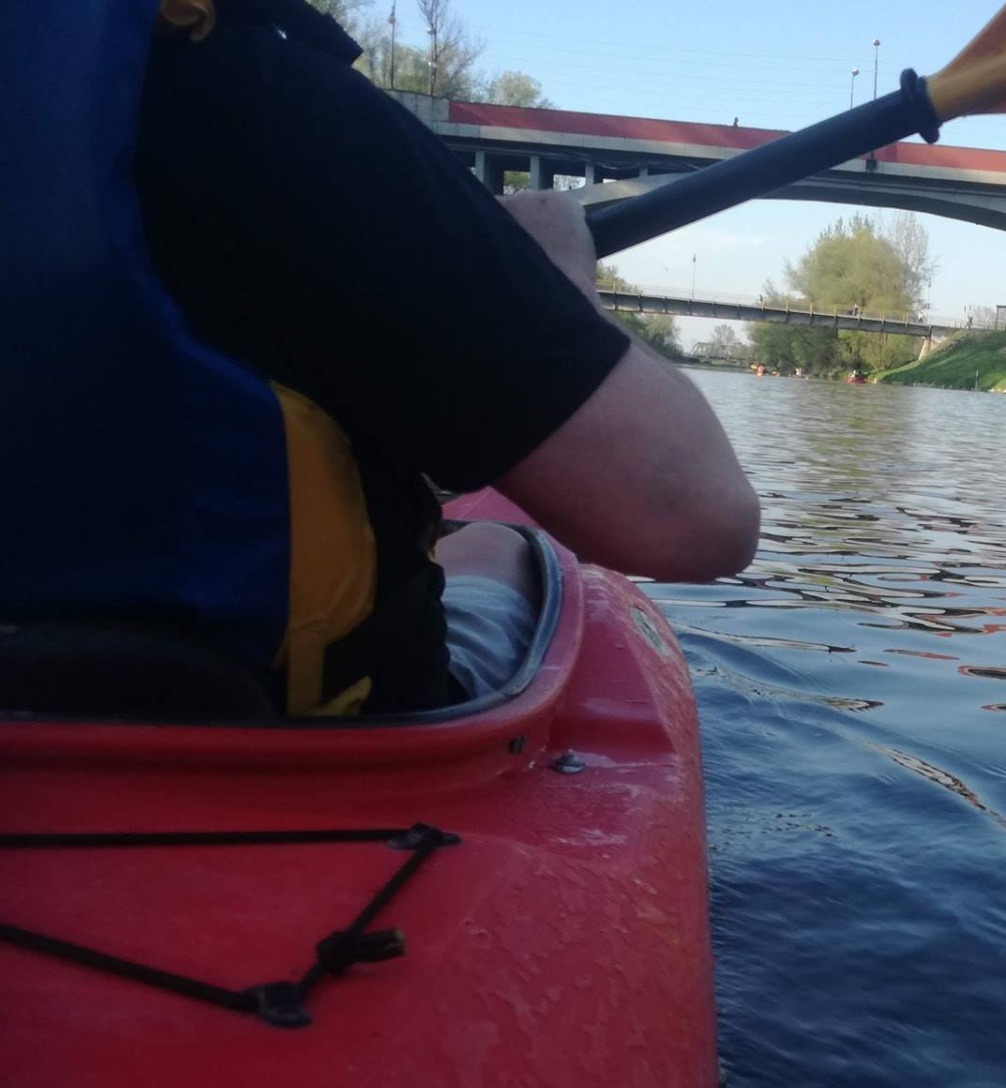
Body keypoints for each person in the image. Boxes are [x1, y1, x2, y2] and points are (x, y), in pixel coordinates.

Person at [3, 0, 758, 716]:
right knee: (503, 544)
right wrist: (561, 285)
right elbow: (698, 523)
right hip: (287, 725)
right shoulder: (251, 94)